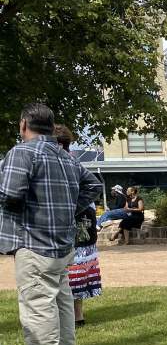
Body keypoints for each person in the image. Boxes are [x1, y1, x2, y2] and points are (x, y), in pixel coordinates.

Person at [0, 103, 102, 345]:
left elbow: (10, 194)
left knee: (37, 302)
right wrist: (69, 208)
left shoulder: (22, 152)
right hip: (62, 243)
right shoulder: (65, 156)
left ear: (24, 124)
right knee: (61, 300)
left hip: (33, 240)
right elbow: (94, 185)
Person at [55, 126, 102, 323]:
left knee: (69, 271)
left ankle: (71, 316)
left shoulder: (62, 163)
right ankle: (76, 315)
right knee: (75, 270)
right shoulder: (73, 162)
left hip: (73, 224)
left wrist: (71, 209)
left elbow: (93, 186)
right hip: (84, 222)